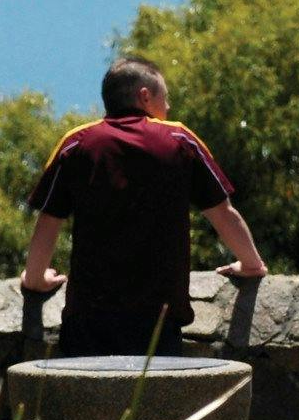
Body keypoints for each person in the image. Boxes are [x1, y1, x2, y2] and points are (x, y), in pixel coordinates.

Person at [20, 58, 268, 357]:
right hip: (157, 321)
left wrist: (35, 280)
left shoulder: (77, 143)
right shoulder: (179, 140)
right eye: (165, 98)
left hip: (87, 318)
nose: (169, 108)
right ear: (145, 96)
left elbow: (49, 220)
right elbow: (222, 213)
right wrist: (252, 265)